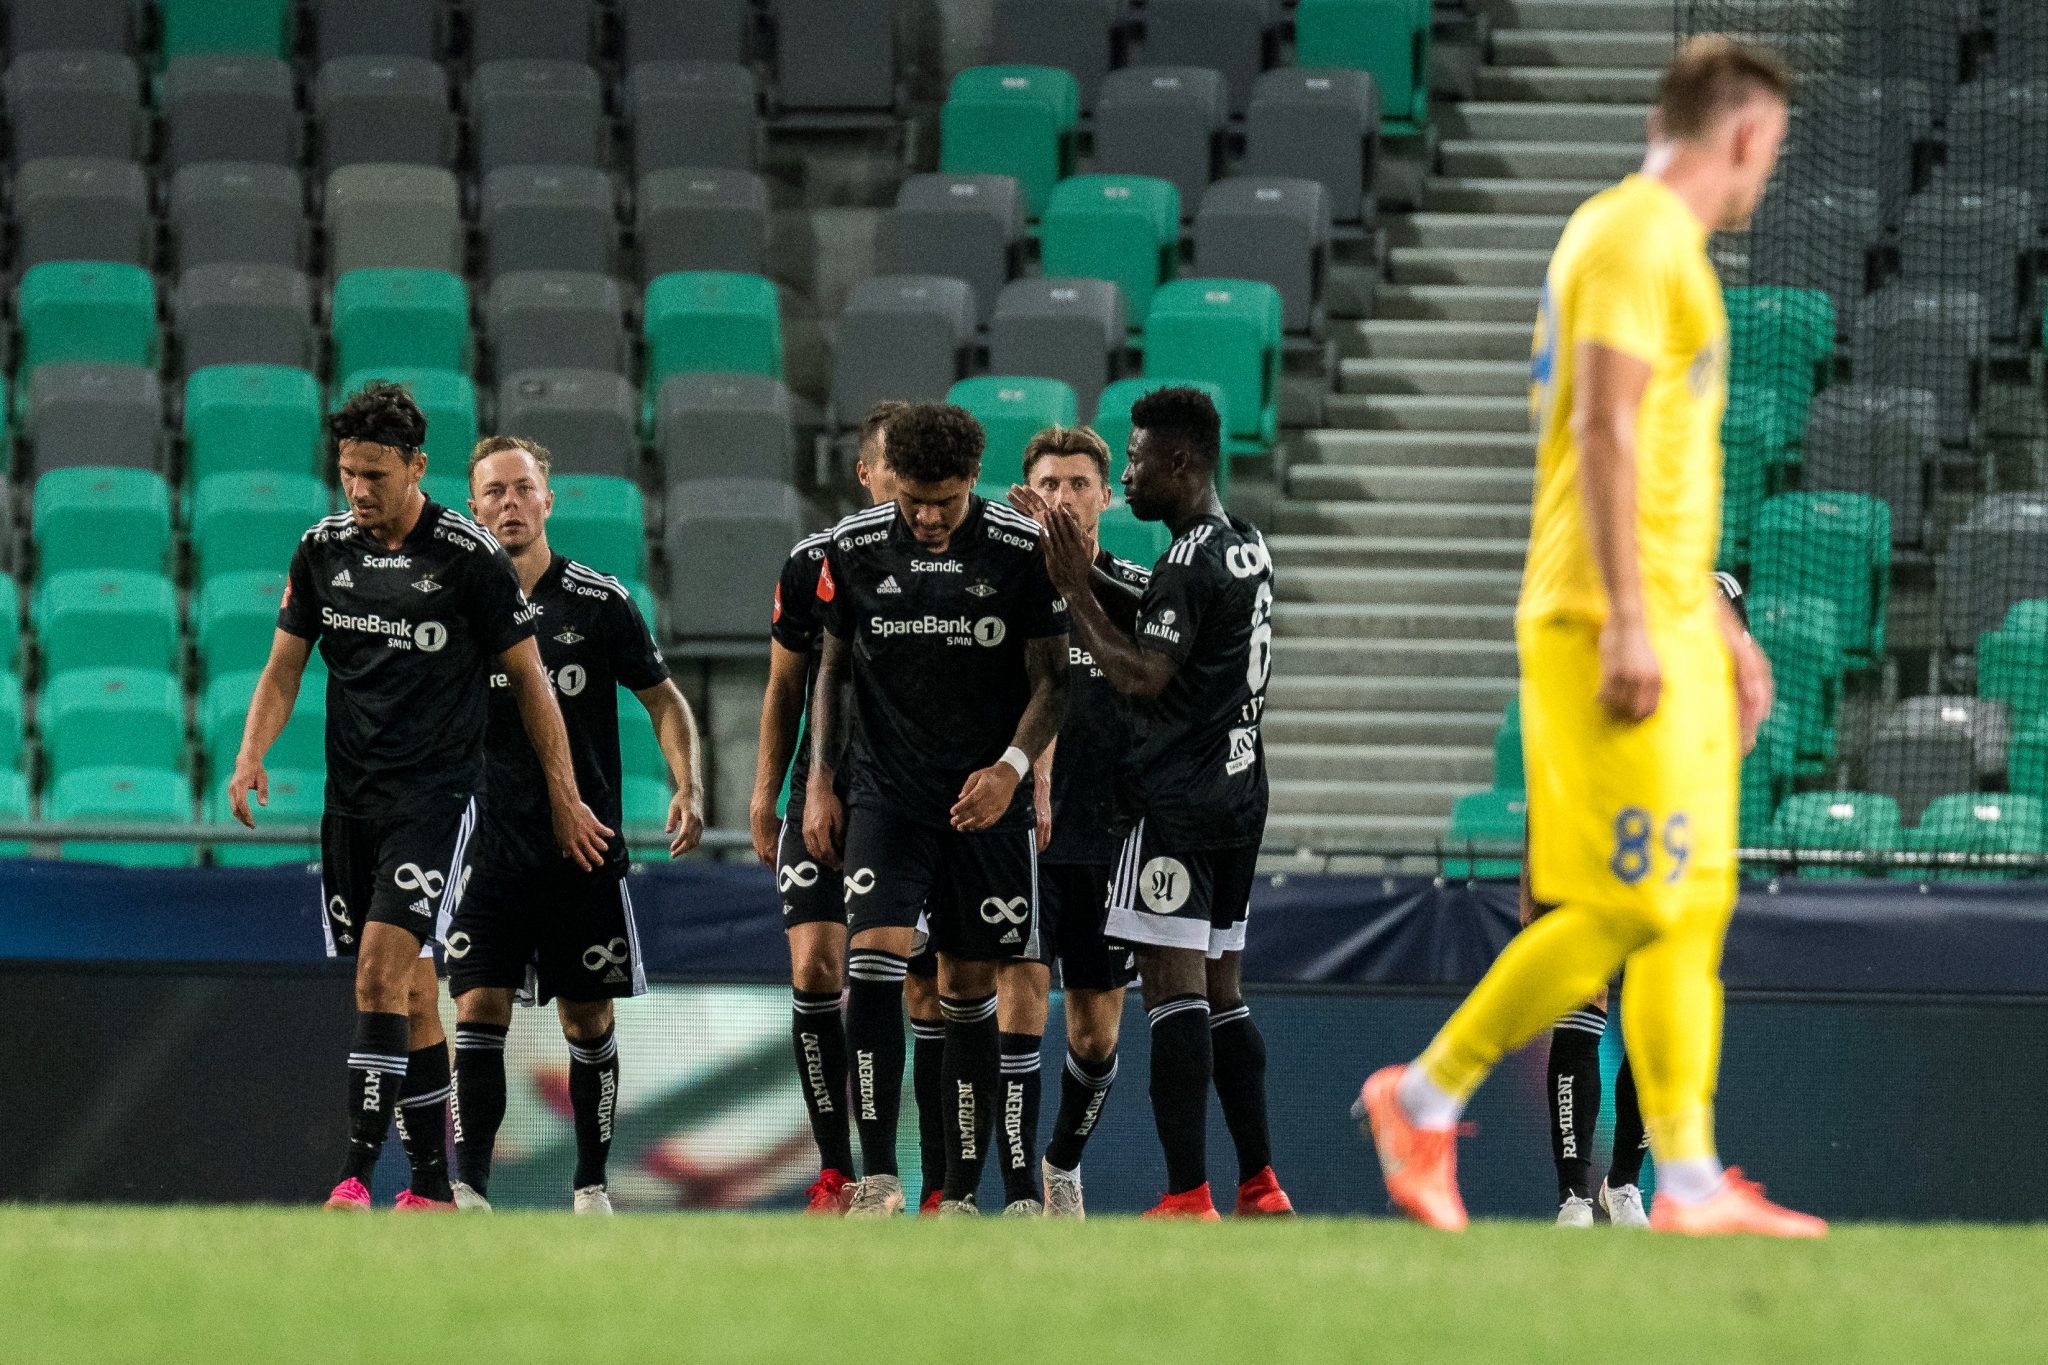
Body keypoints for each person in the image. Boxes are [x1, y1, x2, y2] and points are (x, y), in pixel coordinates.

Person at [1355, 36, 1826, 1238]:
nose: (1764, 172)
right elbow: (1602, 430)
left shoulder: (1669, 253)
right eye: (1768, 148)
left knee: (1690, 903)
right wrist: (1629, 615)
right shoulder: (1629, 236)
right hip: (1596, 614)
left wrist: (1715, 621)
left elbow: (1662, 464)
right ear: (1741, 136)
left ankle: (1684, 1183)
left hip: (1667, 614)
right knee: (1625, 905)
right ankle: (1419, 1097)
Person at [227, 383, 608, 1211]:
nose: (359, 491)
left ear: (417, 467)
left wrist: (564, 793)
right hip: (350, 805)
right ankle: (433, 1189)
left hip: (438, 802)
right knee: (409, 991)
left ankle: (356, 1176)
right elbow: (285, 664)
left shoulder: (469, 557)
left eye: (374, 474)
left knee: (378, 972)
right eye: (347, 473)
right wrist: (251, 751)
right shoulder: (321, 549)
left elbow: (531, 680)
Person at [1013, 387, 1294, 1220]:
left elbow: (1142, 672)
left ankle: (1187, 1194)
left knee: (1175, 995)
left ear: (1179, 463)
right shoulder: (1242, 543)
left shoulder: (1184, 559)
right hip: (1242, 793)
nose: (1126, 475)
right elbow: (1180, 621)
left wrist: (1069, 583)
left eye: (1133, 460)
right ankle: (1261, 1180)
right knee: (1225, 989)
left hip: (1177, 802)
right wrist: (1087, 565)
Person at [803, 402, 1070, 1217]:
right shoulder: (851, 547)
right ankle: (878, 1176)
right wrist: (820, 778)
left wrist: (1012, 768)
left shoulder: (1023, 550)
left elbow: (1055, 681)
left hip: (985, 799)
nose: (924, 516)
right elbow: (832, 669)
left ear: (973, 485)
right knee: (873, 958)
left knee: (966, 984)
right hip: (888, 790)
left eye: (944, 501)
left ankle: (958, 1191)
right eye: (913, 499)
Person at [444, 435, 705, 1216]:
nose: (510, 504)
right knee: (476, 1007)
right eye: (493, 492)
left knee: (586, 1016)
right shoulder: (454, 608)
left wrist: (687, 782)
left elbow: (663, 698)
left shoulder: (598, 601)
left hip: (580, 846)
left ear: (548, 500)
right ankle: (470, 1188)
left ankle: (591, 1184)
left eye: (523, 488)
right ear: (474, 506)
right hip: (488, 850)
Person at [1545, 570, 1749, 1230]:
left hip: (1665, 856)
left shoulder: (1715, 698)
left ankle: (1623, 1184)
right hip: (1593, 837)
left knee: (1658, 1017)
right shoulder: (1627, 655)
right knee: (1581, 1004)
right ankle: (1574, 1195)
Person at [748, 402, 905, 1215]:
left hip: (917, 796)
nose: (901, 486)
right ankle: (837, 1168)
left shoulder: (957, 553)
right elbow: (785, 686)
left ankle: (932, 1174)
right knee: (813, 966)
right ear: (865, 472)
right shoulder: (814, 561)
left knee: (918, 984)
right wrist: (766, 792)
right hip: (826, 789)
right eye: (891, 468)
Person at [1014, 427, 1150, 1219]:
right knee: (1019, 1013)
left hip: (1114, 842)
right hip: (1026, 838)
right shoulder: (1004, 587)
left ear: (1108, 496)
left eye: (1078, 483)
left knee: (1096, 1038)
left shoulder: (1139, 591)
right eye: (1050, 483)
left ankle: (1061, 1159)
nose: (1064, 496)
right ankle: (1022, 1194)